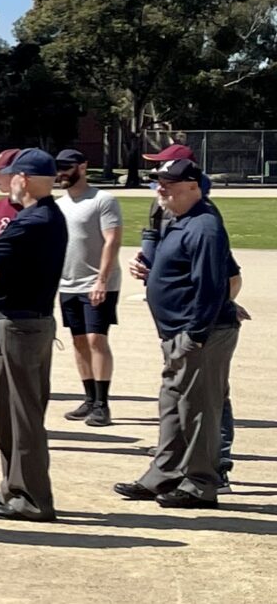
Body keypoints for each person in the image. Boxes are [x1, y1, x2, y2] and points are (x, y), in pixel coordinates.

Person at [116, 156, 239, 509]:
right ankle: (164, 474)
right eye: (159, 183)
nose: (161, 189)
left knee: (199, 409)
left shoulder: (204, 226)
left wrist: (195, 335)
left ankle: (201, 484)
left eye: (168, 184)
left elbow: (212, 285)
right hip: (177, 333)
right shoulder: (181, 220)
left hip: (201, 334)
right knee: (173, 405)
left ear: (192, 187)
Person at [0, 148, 65, 522]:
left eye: (12, 176)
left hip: (22, 324)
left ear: (25, 178)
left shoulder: (36, 220)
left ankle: (33, 497)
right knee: (6, 413)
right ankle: (15, 487)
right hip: (11, 321)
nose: (7, 183)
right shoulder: (36, 218)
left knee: (23, 417)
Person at [53, 149, 123, 426]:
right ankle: (89, 398)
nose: (62, 173)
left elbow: (112, 241)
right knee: (78, 340)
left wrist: (102, 280)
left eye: (67, 167)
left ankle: (103, 404)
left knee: (97, 339)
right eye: (59, 168)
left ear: (82, 166)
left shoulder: (103, 200)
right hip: (67, 282)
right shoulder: (59, 204)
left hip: (96, 283)